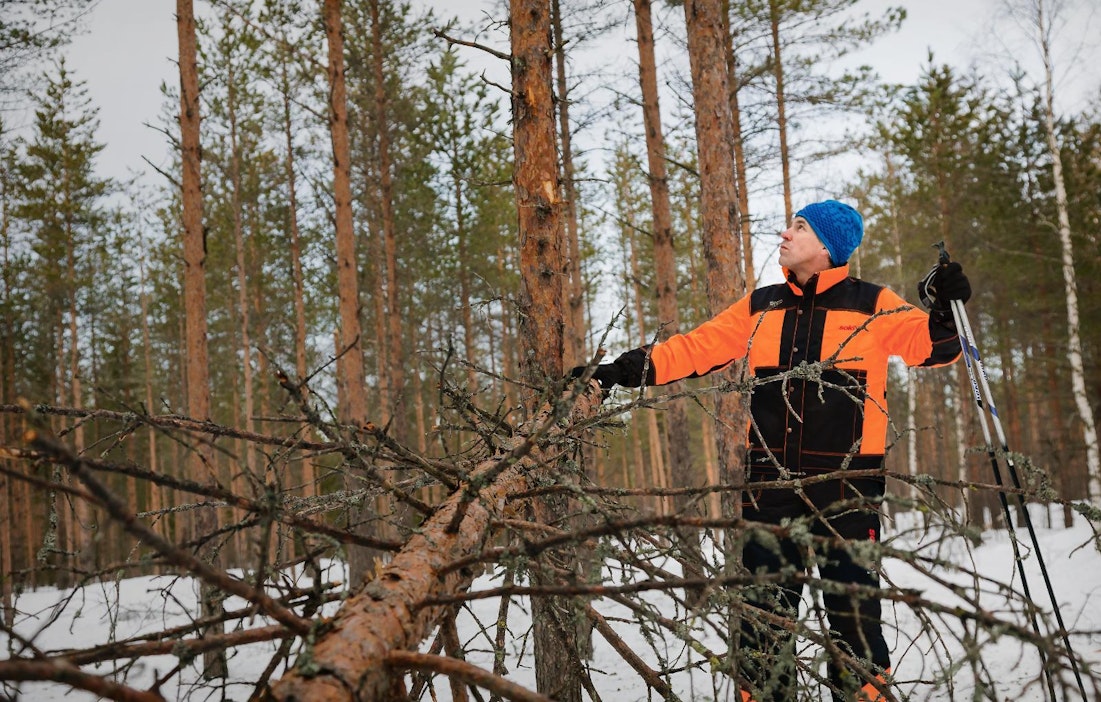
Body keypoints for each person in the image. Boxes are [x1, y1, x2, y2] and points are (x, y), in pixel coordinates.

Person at [575, 200, 971, 701]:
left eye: (799, 226)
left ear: (828, 246)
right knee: (763, 626)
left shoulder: (872, 302)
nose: (785, 233)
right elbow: (696, 347)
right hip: (770, 486)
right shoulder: (762, 306)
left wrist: (945, 308)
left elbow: (930, 346)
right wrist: (621, 370)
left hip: (847, 491)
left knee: (855, 627)